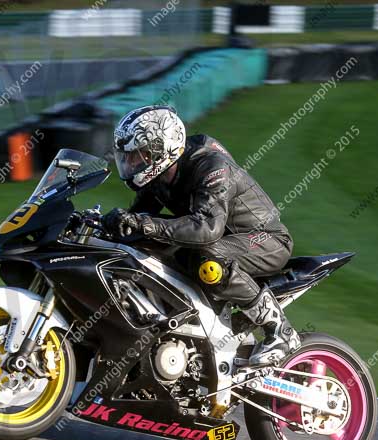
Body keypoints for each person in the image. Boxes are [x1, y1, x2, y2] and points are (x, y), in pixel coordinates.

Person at [103, 105, 300, 365]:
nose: (130, 163)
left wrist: (144, 224)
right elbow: (136, 222)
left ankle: (281, 331)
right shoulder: (159, 176)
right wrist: (103, 223)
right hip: (220, 241)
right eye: (127, 157)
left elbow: (206, 229)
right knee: (141, 243)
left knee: (208, 258)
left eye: (137, 156)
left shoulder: (212, 167)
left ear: (161, 150)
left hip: (265, 240)